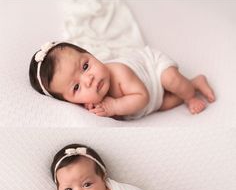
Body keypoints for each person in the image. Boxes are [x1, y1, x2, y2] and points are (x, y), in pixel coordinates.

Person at [29, 42, 215, 120]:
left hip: (153, 69)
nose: (89, 79)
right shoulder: (90, 101)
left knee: (172, 81)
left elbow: (142, 97)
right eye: (76, 87)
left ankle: (190, 95)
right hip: (153, 101)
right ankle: (195, 82)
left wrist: (114, 107)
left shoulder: (119, 72)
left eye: (85, 66)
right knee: (165, 104)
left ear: (91, 55)